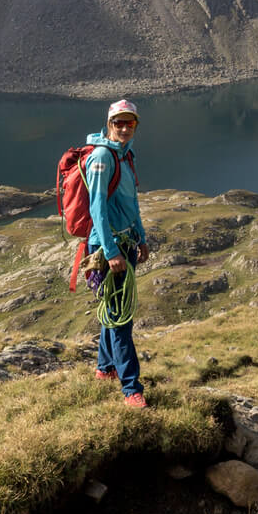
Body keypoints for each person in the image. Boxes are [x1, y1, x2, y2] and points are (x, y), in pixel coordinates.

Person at [86, 99, 150, 407]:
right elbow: (96, 207)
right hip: (109, 247)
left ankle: (104, 368)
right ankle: (131, 389)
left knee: (113, 311)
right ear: (109, 124)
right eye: (118, 123)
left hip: (127, 243)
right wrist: (111, 251)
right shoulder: (102, 157)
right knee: (120, 318)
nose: (124, 128)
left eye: (130, 123)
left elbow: (131, 202)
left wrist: (142, 237)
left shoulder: (126, 155)